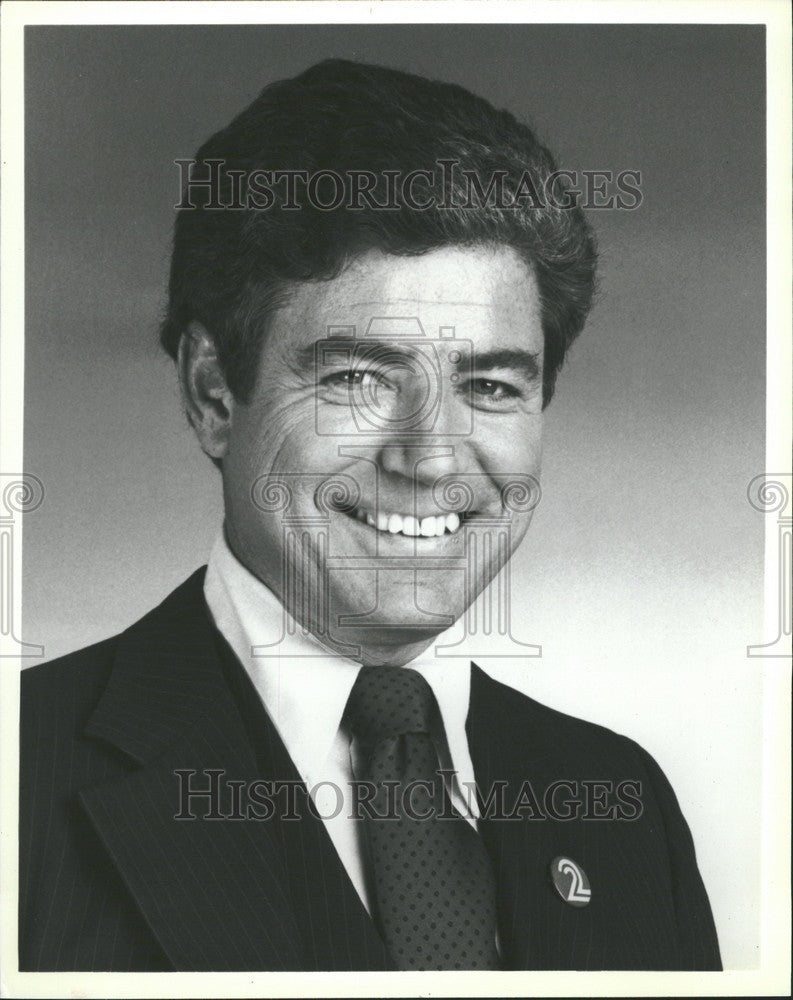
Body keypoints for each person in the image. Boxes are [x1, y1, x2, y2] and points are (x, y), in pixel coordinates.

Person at [19, 59, 721, 972]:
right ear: (212, 395)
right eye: (357, 378)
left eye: (489, 384)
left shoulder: (620, 799)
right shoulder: (21, 775)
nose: (429, 455)